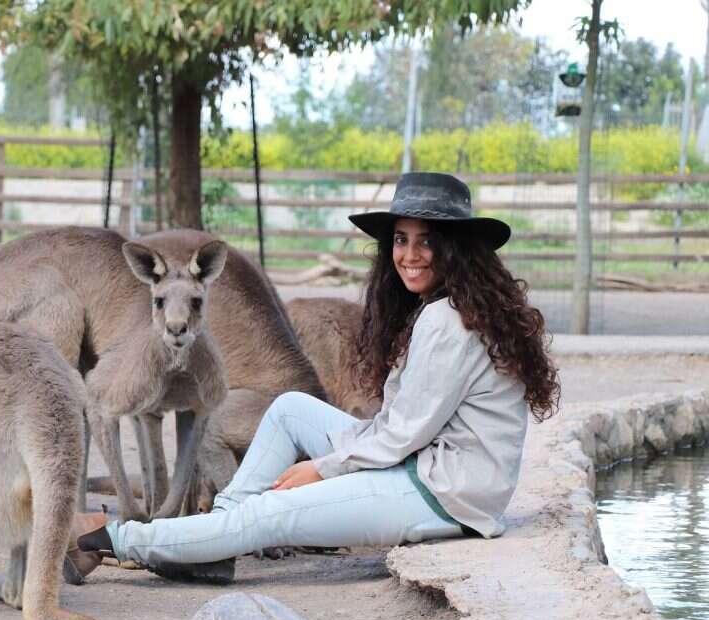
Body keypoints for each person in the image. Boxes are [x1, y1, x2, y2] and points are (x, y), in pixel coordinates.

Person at [67, 172, 561, 585]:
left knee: (269, 515)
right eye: (401, 239)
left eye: (428, 241)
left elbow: (404, 434)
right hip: (427, 467)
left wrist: (322, 468)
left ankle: (115, 536)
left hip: (443, 494)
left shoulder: (448, 320)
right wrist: (333, 460)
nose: (410, 255)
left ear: (457, 249)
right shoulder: (448, 309)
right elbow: (402, 429)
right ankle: (211, 546)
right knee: (287, 410)